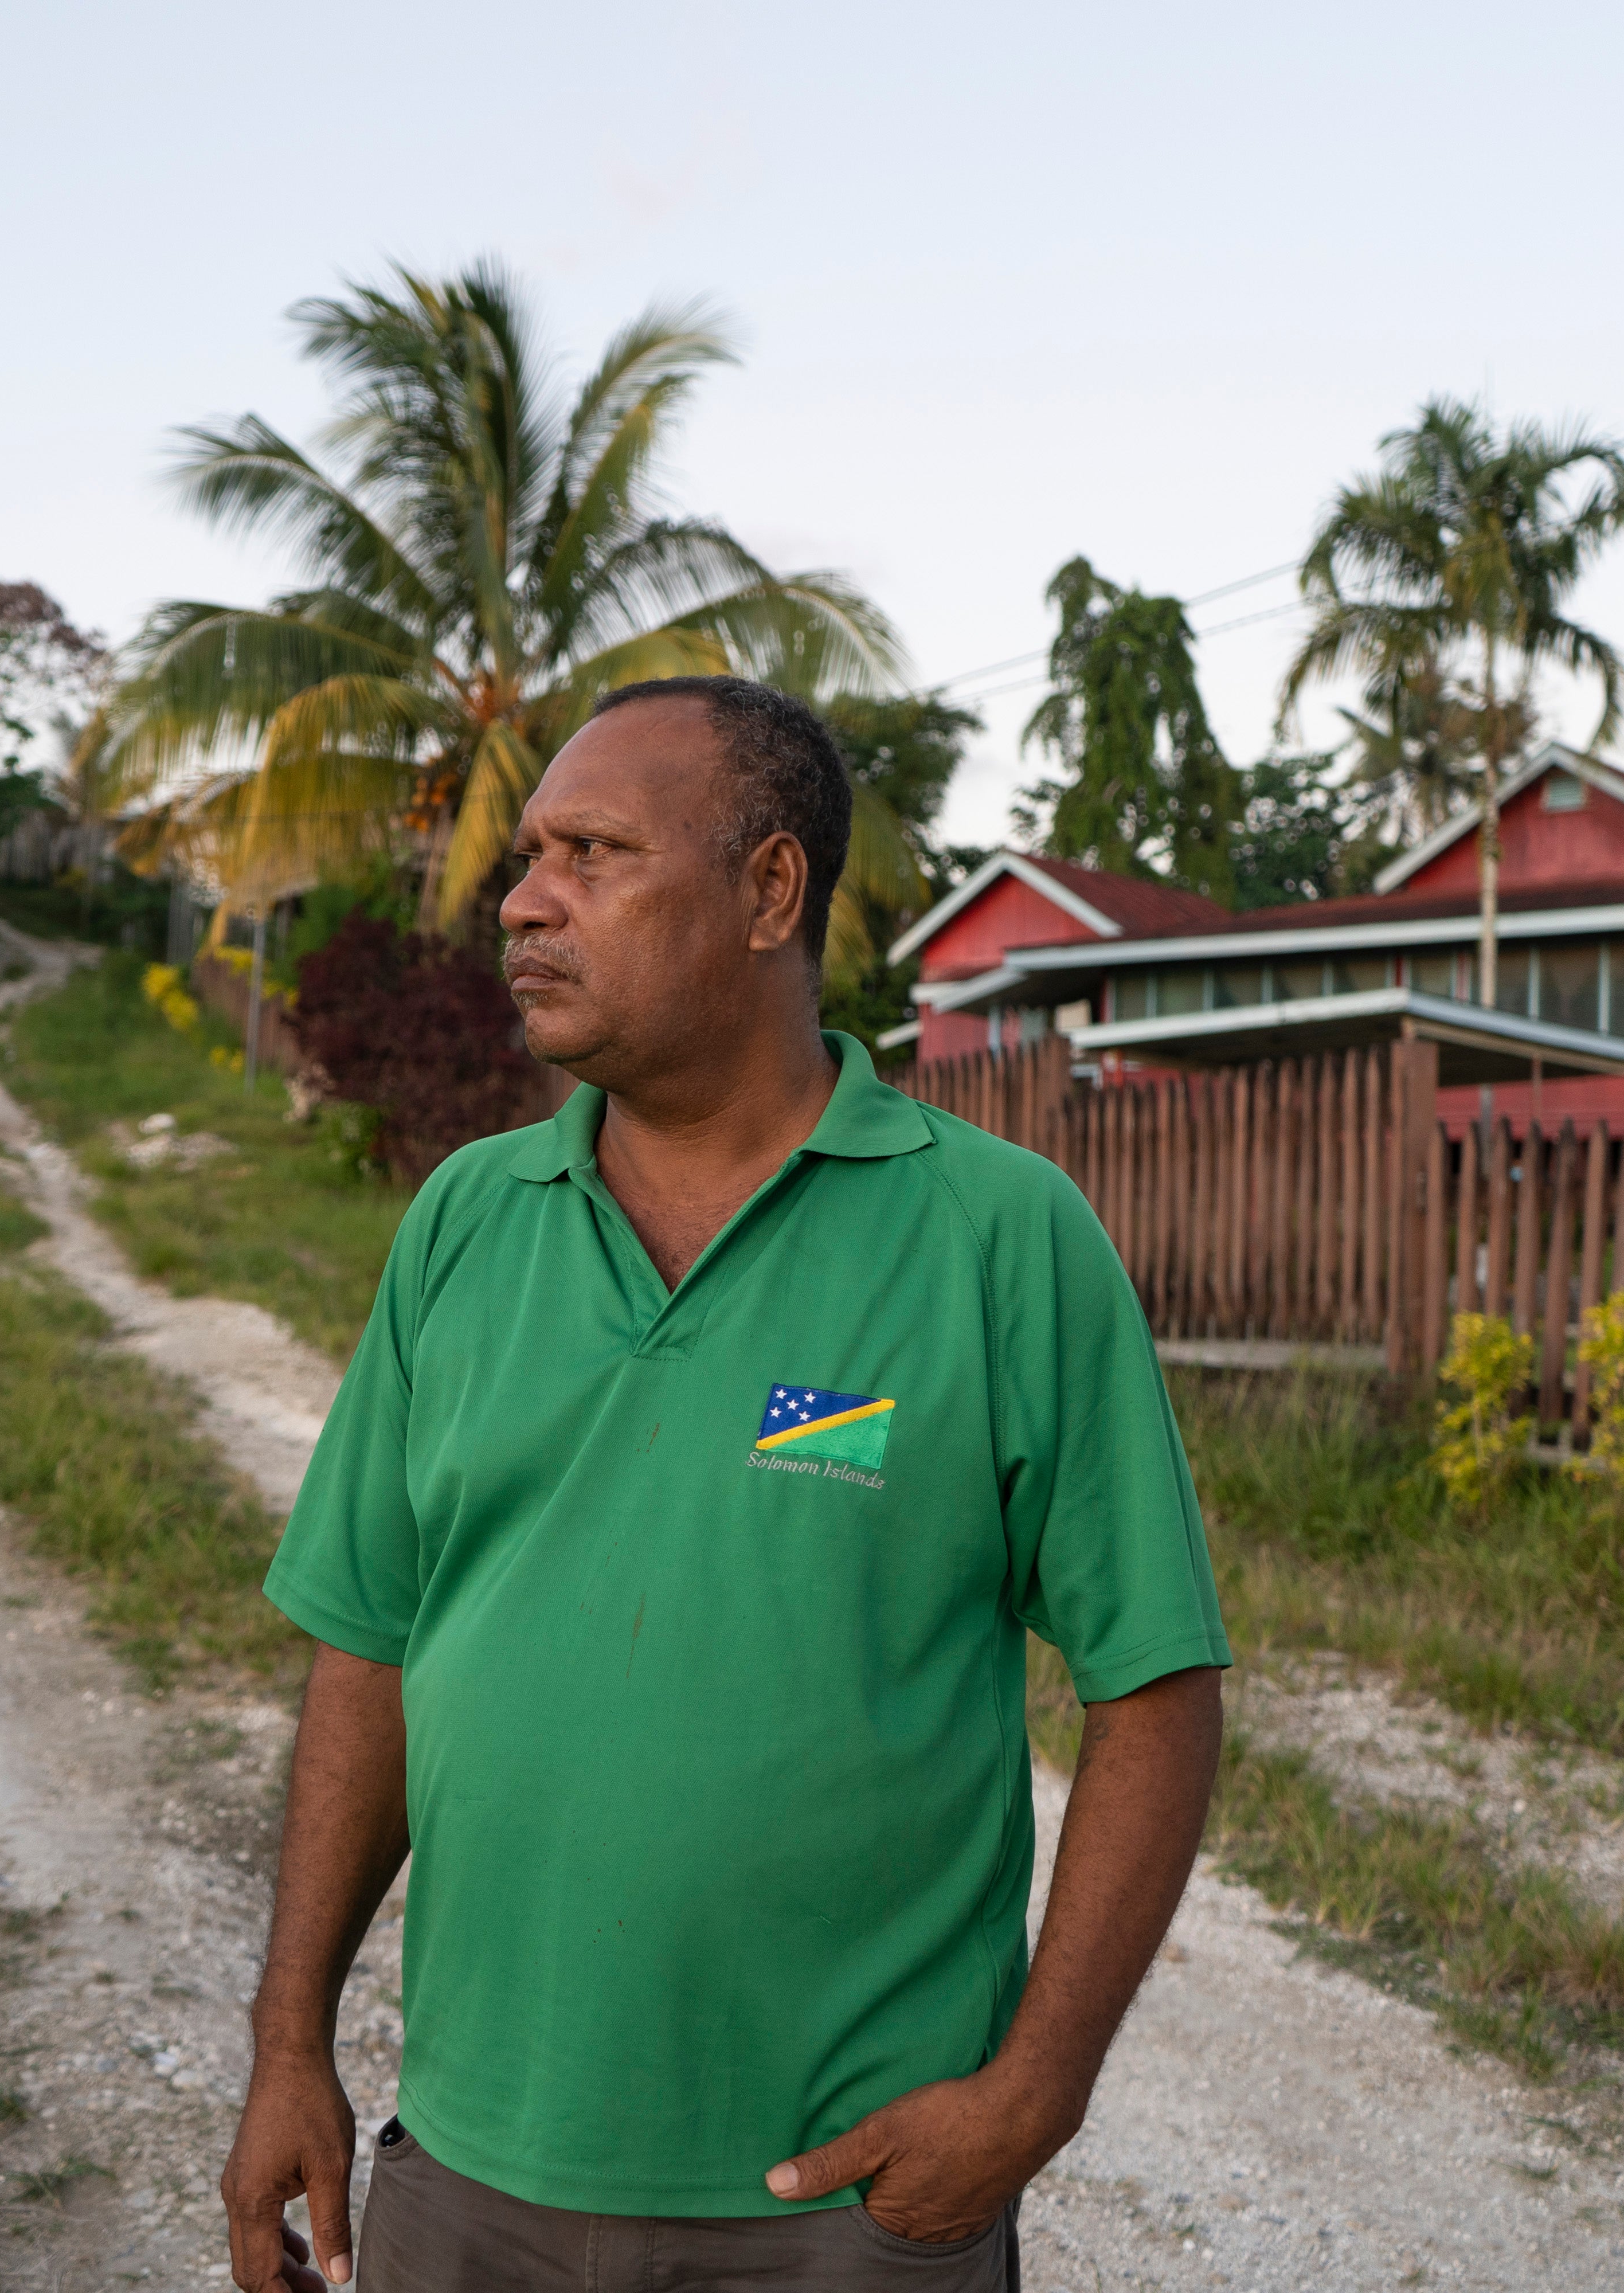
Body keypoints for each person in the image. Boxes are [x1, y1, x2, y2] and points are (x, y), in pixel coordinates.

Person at [221, 675, 1228, 2292]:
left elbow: (1159, 1684)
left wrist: (1032, 2098)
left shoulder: (1001, 1238)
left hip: (844, 2210)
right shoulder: (467, 1224)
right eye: (530, 855)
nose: (527, 901)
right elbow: (371, 1648)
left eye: (596, 854)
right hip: (471, 2178)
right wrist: (290, 2043)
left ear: (771, 890)